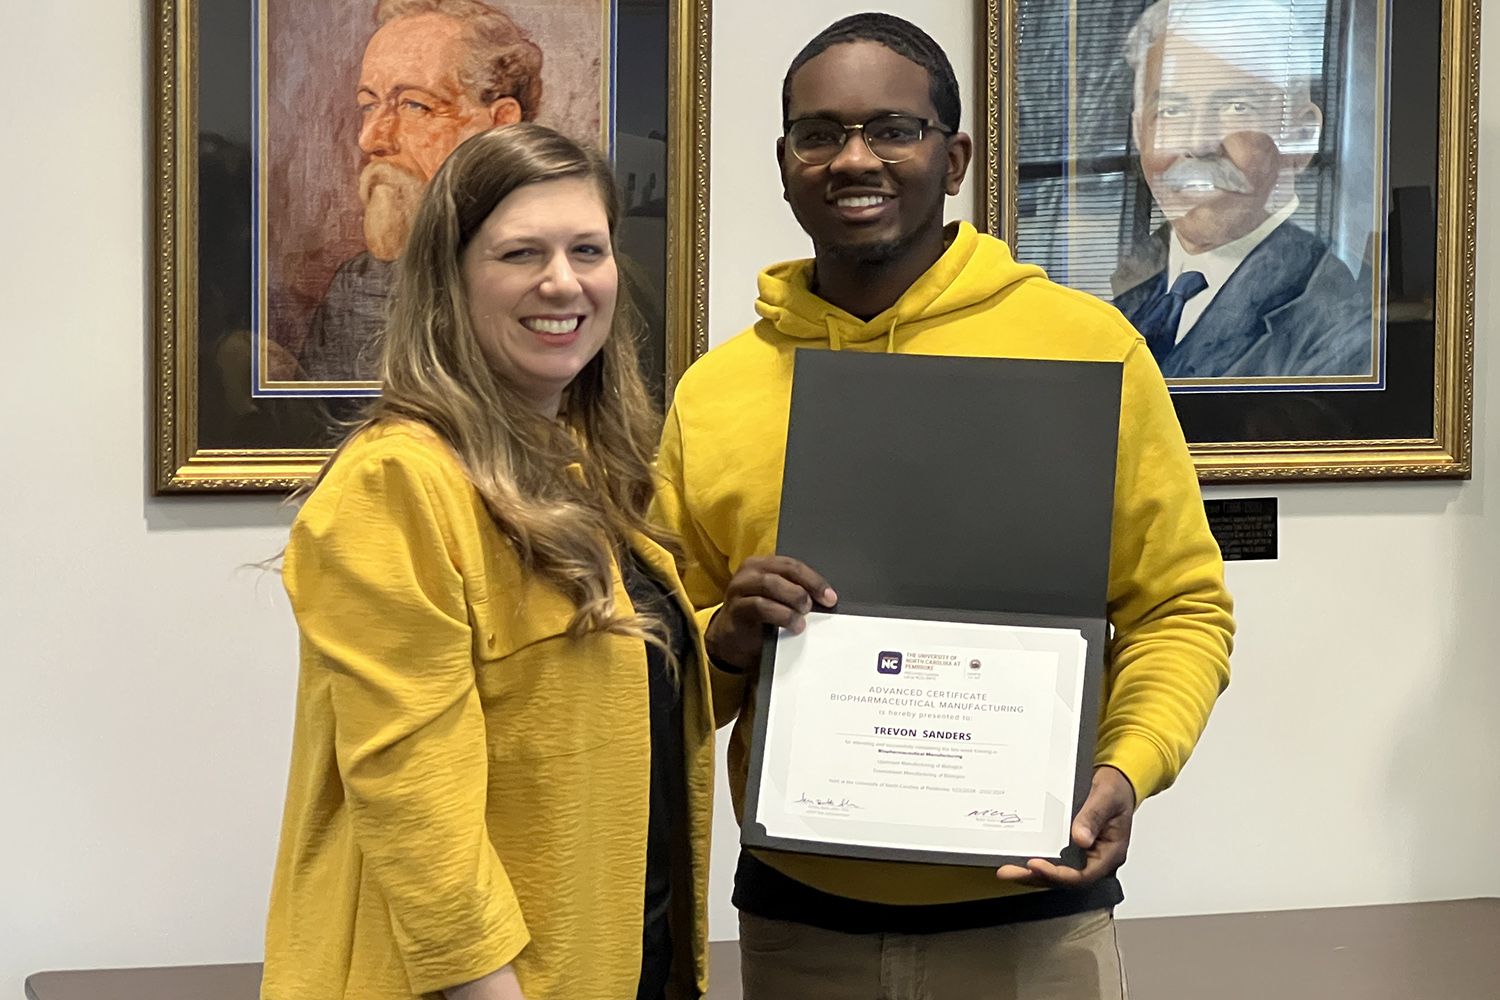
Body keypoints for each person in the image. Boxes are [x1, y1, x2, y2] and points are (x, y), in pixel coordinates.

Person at [650, 13, 1234, 999]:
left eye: (893, 128)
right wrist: (725, 642)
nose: (853, 158)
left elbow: (1179, 608)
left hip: (1034, 917)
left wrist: (1127, 769)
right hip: (802, 922)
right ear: (785, 162)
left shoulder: (1087, 349)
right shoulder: (716, 394)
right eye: (818, 133)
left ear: (954, 156)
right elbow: (654, 668)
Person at [263, 124, 716, 1000]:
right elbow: (414, 797)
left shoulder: (586, 469)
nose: (563, 281)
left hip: (618, 959)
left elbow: (605, 709)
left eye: (588, 249)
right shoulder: (399, 482)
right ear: (452, 280)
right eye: (520, 252)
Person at [1111, 0, 1374, 379]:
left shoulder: (1346, 315)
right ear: (1139, 134)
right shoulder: (1127, 287)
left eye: (1237, 106)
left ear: (1300, 138)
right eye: (1170, 111)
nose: (1199, 142)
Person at [299, 0, 543, 383]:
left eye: (414, 105)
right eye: (368, 106)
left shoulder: (559, 279)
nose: (370, 139)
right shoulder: (357, 285)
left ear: (500, 123)